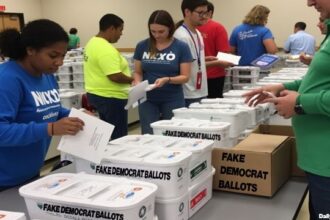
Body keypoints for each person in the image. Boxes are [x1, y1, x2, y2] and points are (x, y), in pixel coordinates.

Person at [243, 0, 330, 216]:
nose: (310, 2)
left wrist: (299, 103)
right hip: (317, 158)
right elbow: (318, 81)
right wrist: (283, 87)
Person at [0, 19, 85, 190]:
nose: (59, 62)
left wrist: (73, 115)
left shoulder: (46, 75)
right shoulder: (7, 79)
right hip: (4, 179)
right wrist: (50, 129)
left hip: (29, 172)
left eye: (63, 55)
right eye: (53, 56)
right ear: (30, 50)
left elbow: (49, 110)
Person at [133, 10, 193, 134]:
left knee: (172, 133)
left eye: (161, 31)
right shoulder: (142, 46)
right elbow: (138, 72)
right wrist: (137, 82)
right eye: (153, 31)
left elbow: (185, 77)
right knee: (148, 133)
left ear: (170, 28)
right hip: (147, 99)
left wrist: (168, 79)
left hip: (172, 98)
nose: (157, 35)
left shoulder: (181, 47)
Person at [84, 14, 133, 140]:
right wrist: (132, 80)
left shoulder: (92, 42)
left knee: (106, 136)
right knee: (119, 138)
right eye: (120, 30)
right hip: (111, 98)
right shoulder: (105, 48)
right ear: (112, 28)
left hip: (97, 95)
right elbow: (115, 76)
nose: (121, 34)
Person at [174, 0, 212, 107]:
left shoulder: (197, 32)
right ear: (187, 12)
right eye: (200, 13)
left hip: (200, 89)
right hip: (189, 93)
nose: (204, 16)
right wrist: (218, 63)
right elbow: (184, 67)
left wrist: (205, 60)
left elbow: (195, 61)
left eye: (206, 12)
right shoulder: (182, 36)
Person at [197, 1, 233, 98]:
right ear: (210, 13)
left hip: (194, 76)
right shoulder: (218, 28)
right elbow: (223, 53)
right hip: (214, 75)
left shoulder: (189, 28)